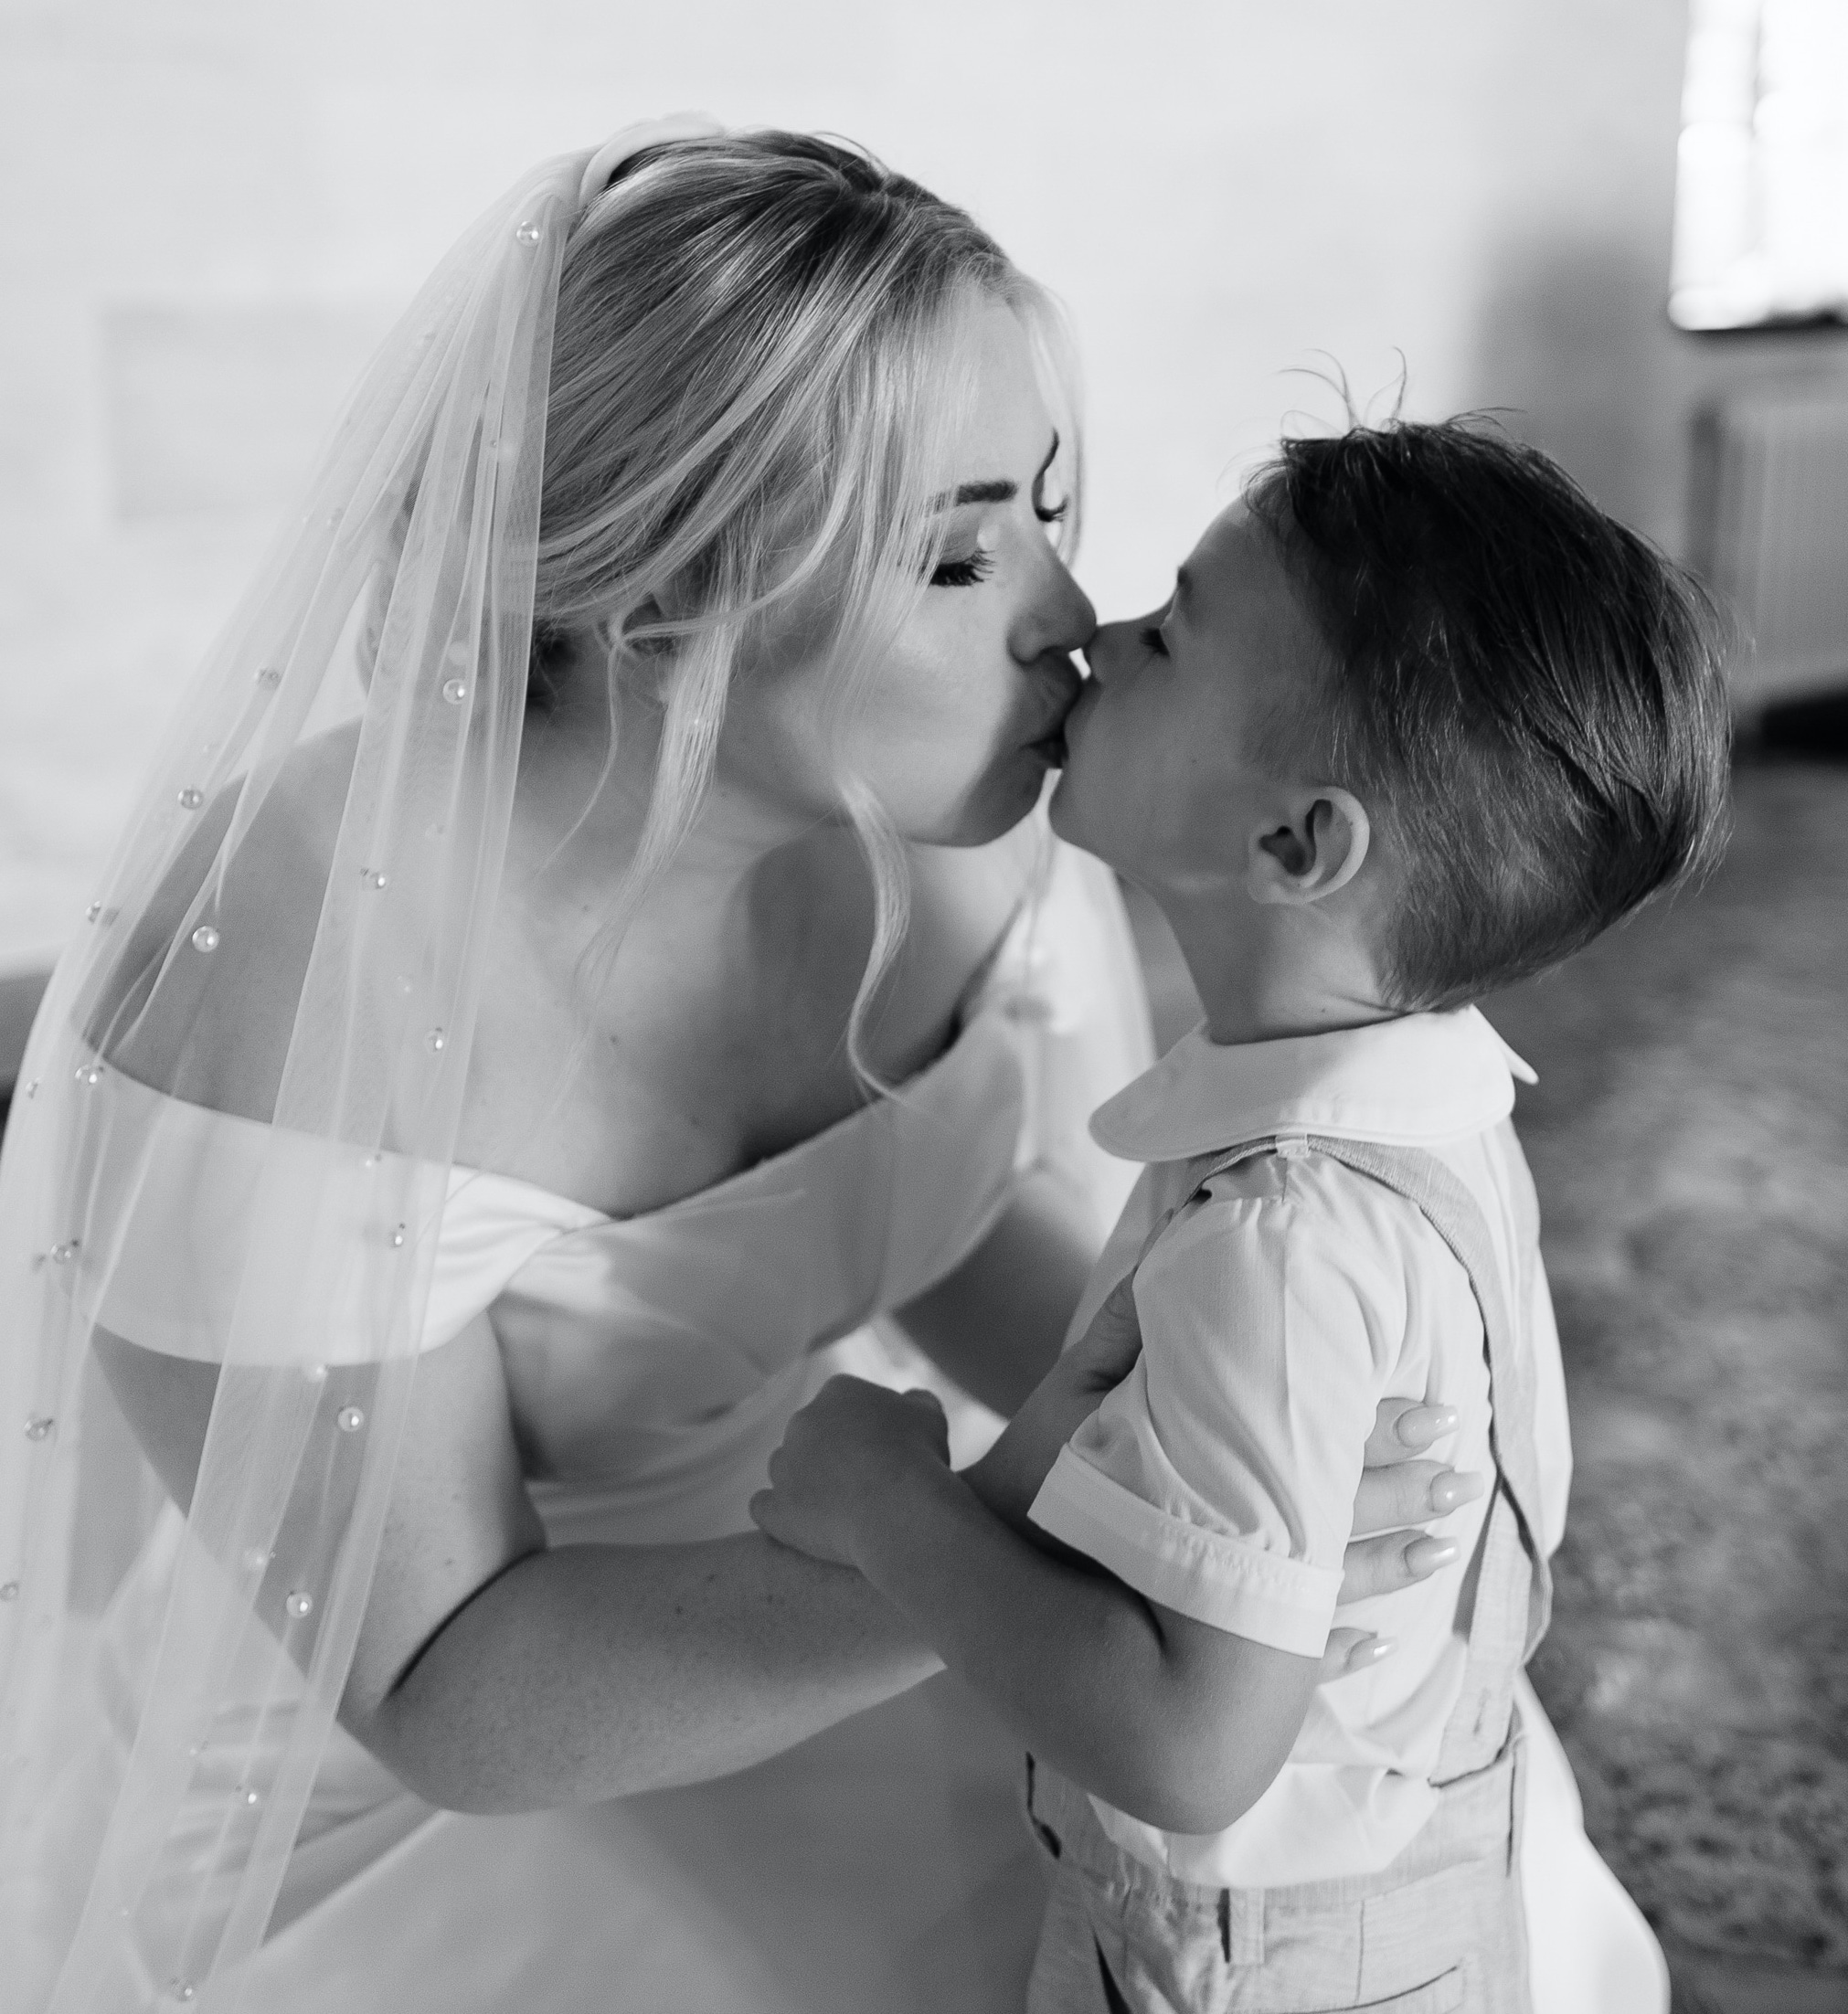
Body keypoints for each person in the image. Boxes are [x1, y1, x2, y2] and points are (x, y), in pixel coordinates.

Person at [0, 128, 1662, 2014]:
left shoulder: (947, 834)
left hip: (833, 1552)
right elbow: (446, 1686)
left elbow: (954, 1247)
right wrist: (1013, 1549)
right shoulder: (289, 985)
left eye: (1045, 506)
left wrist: (1305, 1483)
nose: (1069, 619)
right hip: (464, 1744)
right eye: (960, 553)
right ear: (655, 613)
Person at [749, 420, 1731, 2012]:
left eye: (1165, 633)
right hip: (1416, 1880)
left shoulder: (1277, 1238)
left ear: (1291, 843)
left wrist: (887, 1508)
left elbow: (1189, 1749)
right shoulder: (1443, 1099)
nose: (1093, 634)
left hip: (1242, 1966)